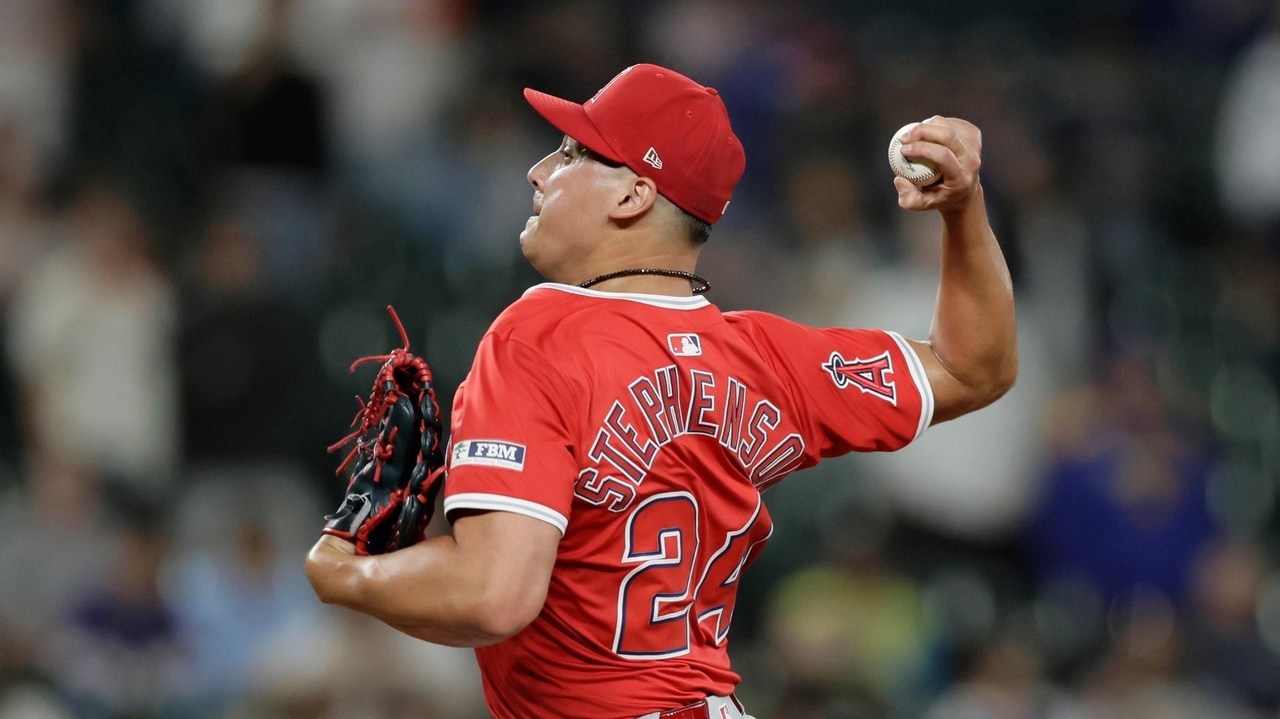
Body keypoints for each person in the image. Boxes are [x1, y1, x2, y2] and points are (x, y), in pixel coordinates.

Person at [304, 63, 1017, 719]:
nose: (538, 170)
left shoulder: (540, 333)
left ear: (634, 192)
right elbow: (972, 368)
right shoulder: (767, 357)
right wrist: (964, 211)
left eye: (574, 153)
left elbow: (494, 596)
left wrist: (346, 573)